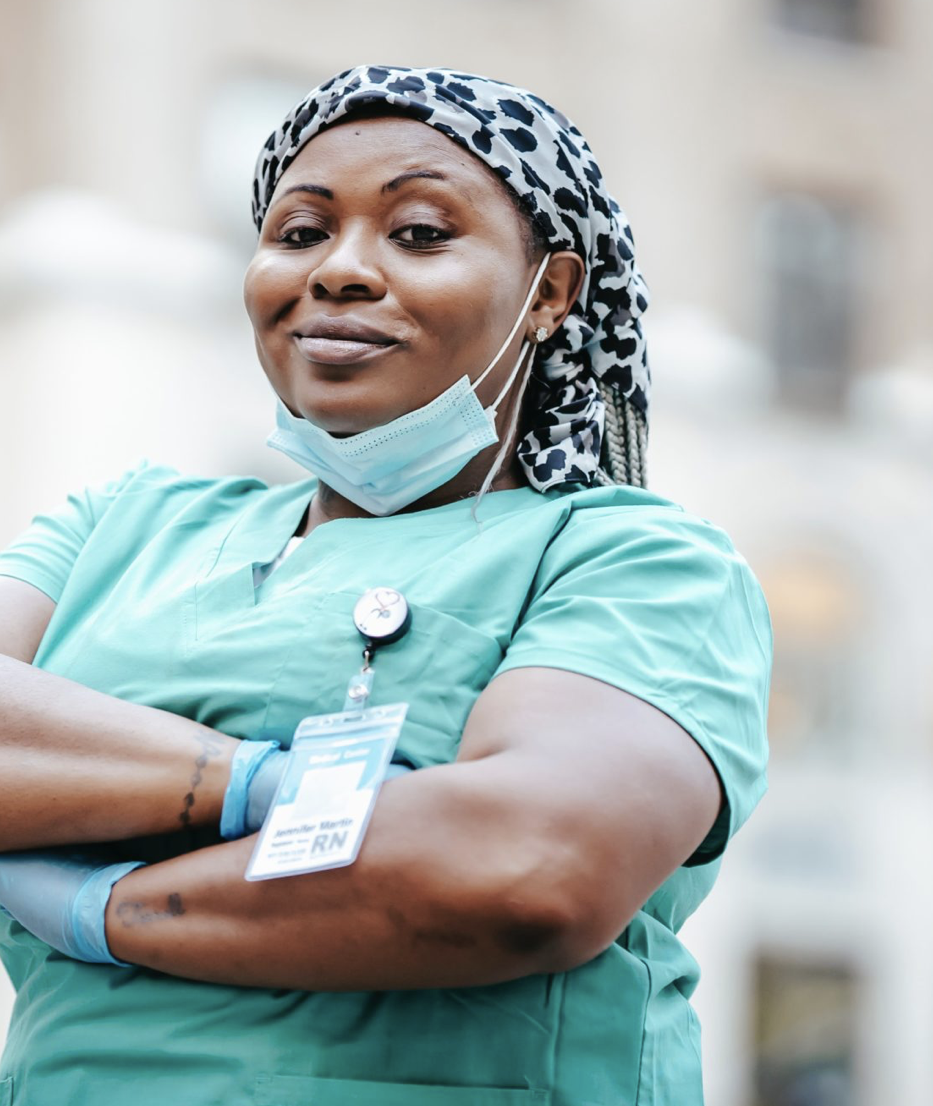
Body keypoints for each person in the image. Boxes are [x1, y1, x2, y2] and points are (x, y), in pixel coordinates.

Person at [0, 65, 771, 1105]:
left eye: (419, 233)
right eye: (300, 232)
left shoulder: (636, 561)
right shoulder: (122, 524)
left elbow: (525, 866)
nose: (340, 271)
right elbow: (445, 846)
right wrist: (278, 793)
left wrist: (100, 902)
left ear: (550, 290)